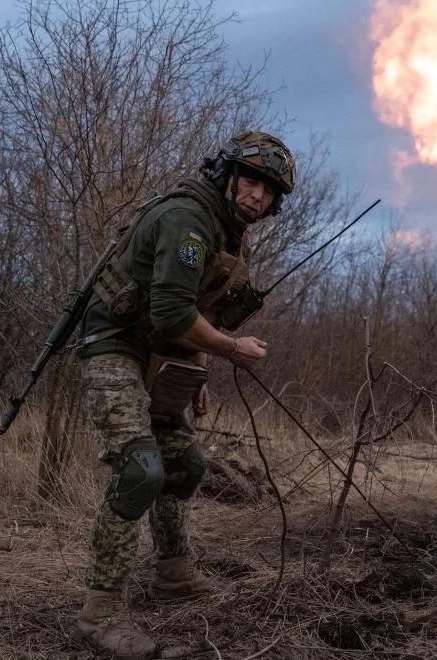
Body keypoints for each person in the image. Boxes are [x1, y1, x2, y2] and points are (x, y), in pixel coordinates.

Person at [72, 131, 295, 658]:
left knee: (186, 465)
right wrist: (230, 350)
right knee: (140, 470)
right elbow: (173, 312)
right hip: (113, 346)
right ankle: (100, 613)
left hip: (160, 356)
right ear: (228, 175)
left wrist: (191, 369)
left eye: (269, 190)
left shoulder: (229, 234)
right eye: (251, 179)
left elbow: (190, 316)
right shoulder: (189, 221)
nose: (257, 195)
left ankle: (173, 576)